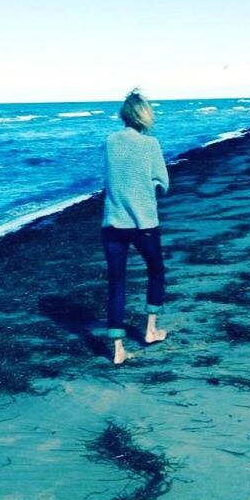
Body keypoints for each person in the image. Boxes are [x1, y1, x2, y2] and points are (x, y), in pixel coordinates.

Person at [102, 88, 169, 364]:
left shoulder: (110, 141)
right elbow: (163, 183)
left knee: (117, 282)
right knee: (156, 270)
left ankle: (118, 350)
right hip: (143, 224)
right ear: (144, 115)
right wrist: (149, 187)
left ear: (124, 115)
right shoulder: (150, 144)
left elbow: (112, 178)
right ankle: (150, 330)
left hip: (113, 223)